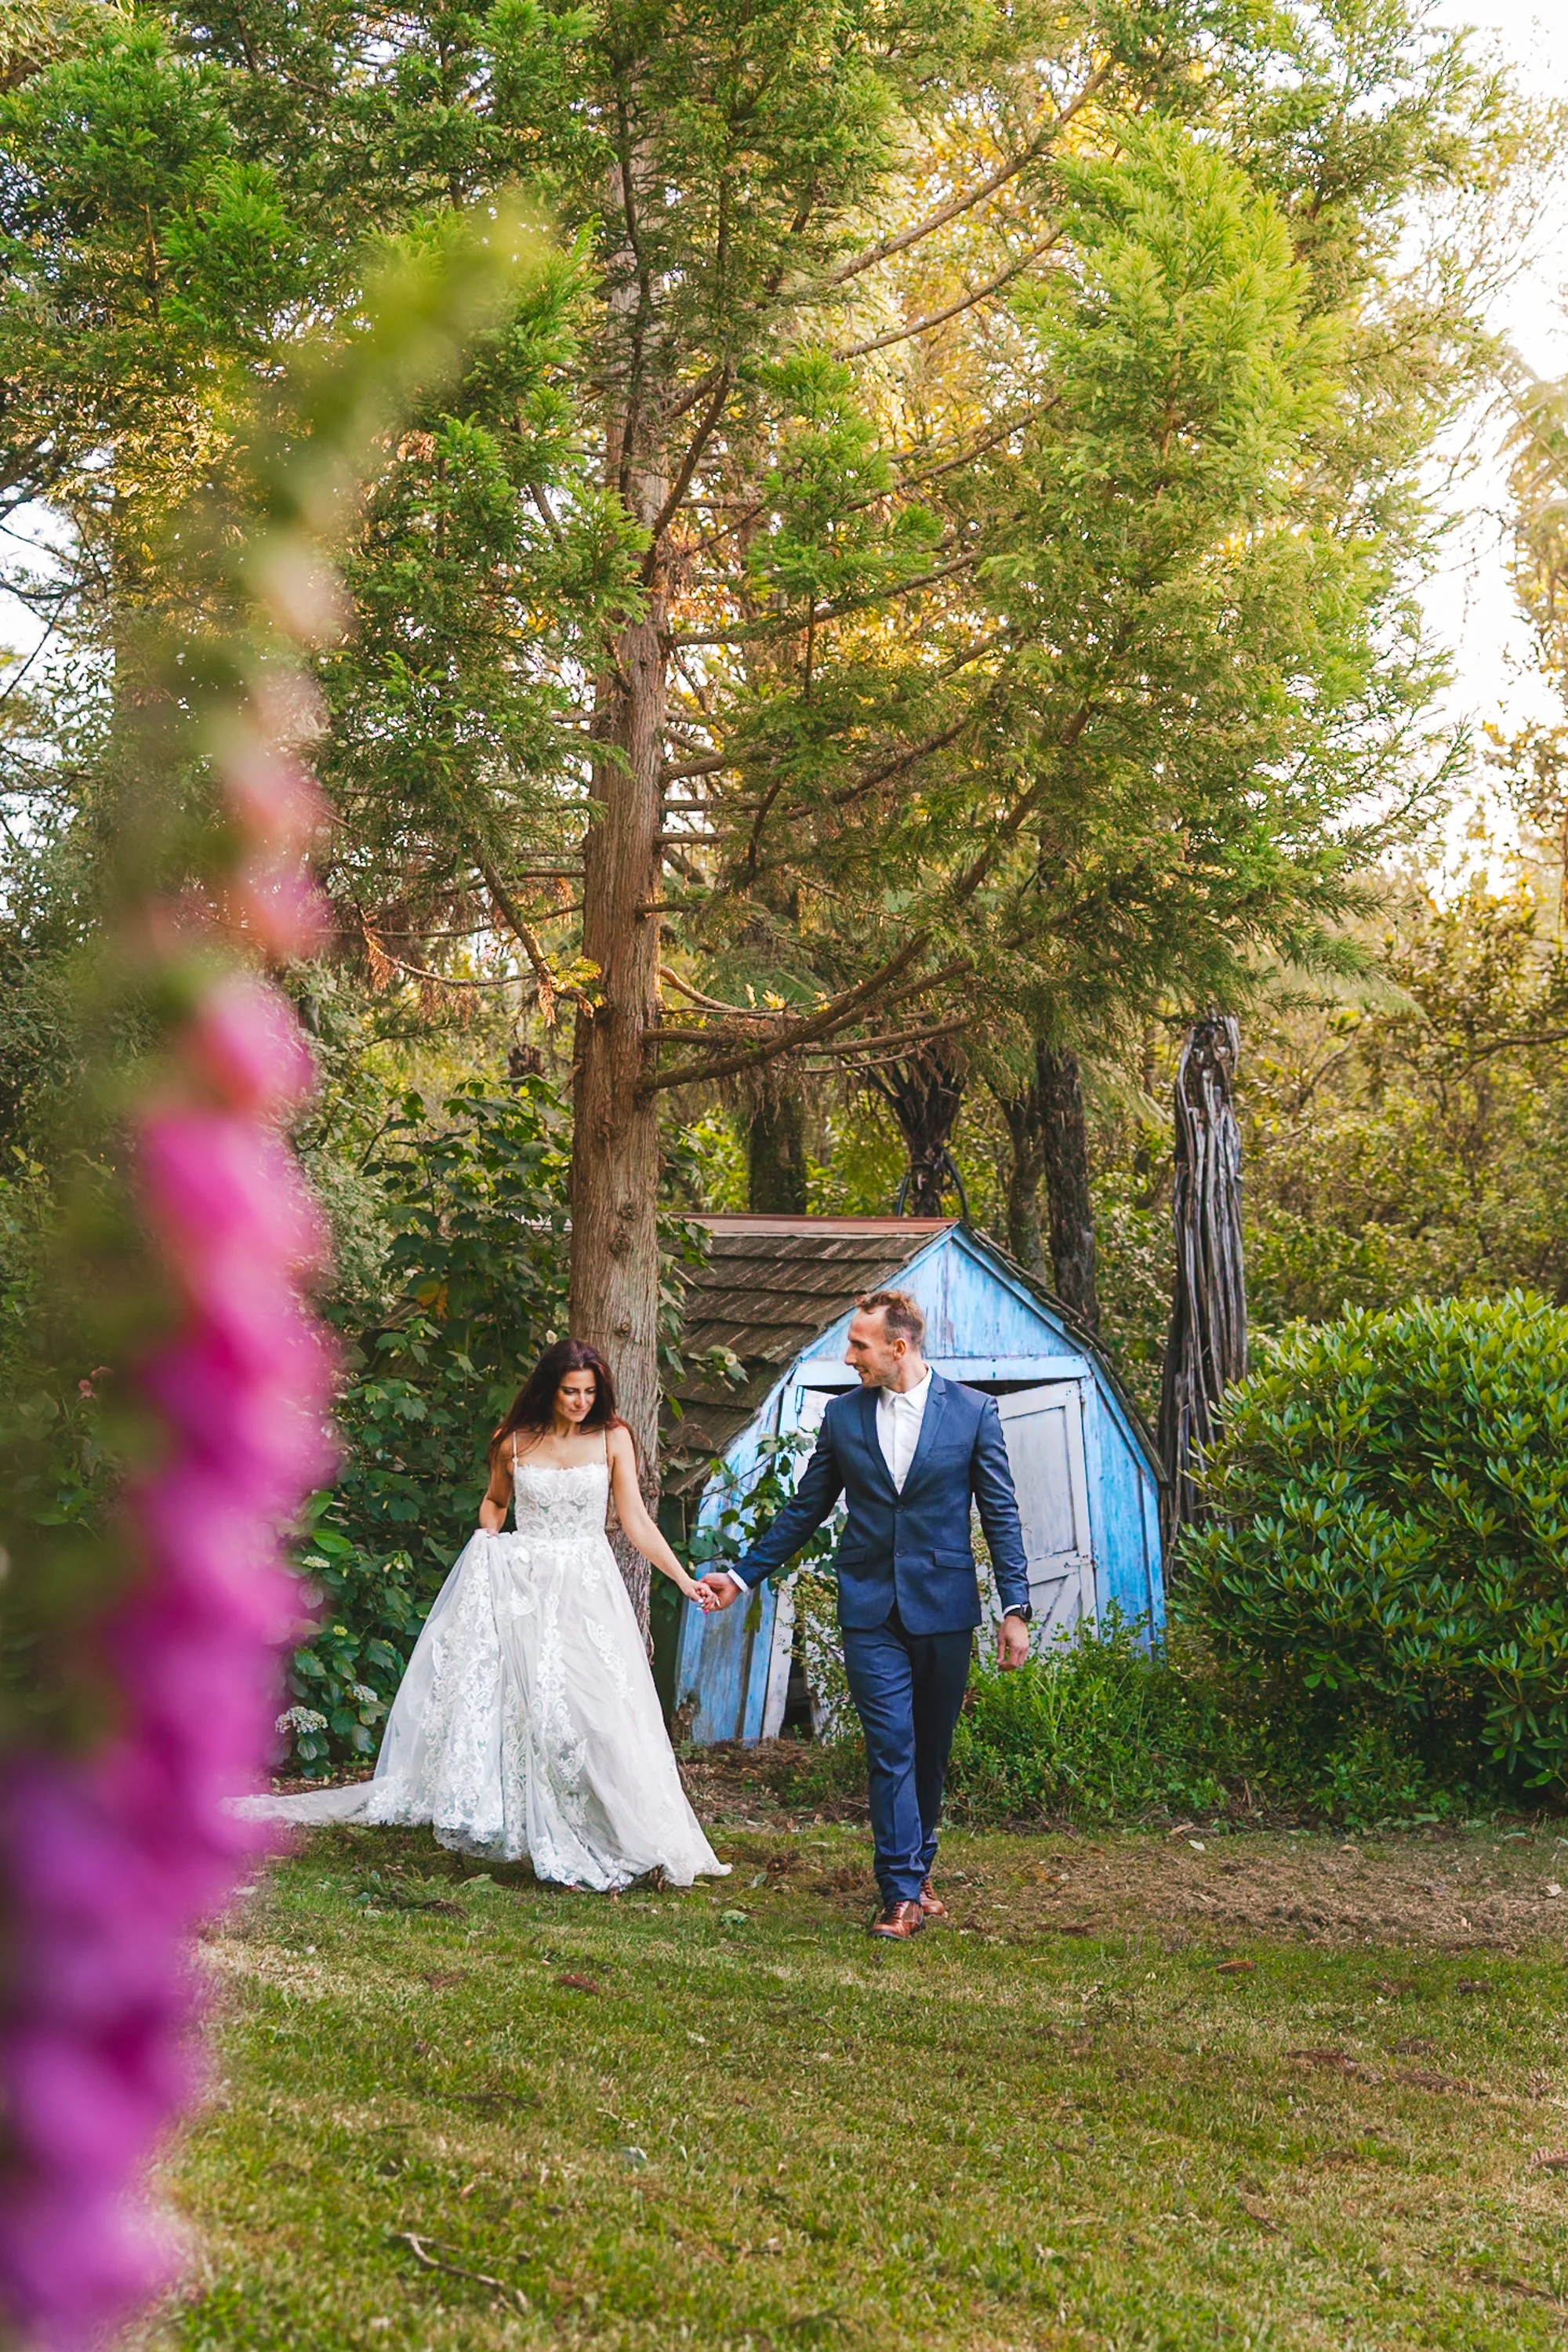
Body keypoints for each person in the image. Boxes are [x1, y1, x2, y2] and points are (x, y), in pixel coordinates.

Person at [237, 1339, 729, 1893]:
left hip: (588, 1589)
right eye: (571, 1392)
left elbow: (635, 1519)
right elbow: (496, 1503)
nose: (581, 1403)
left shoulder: (613, 1438)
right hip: (525, 1586)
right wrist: (487, 1538)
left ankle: (616, 1823)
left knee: (597, 1708)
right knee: (531, 1706)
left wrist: (683, 1579)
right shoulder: (512, 1441)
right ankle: (531, 1822)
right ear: (548, 1389)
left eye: (591, 1392)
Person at [700, 1288, 1031, 1938]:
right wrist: (741, 1577)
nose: (849, 1357)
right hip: (870, 1608)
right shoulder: (843, 1416)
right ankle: (900, 1893)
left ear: (898, 1348)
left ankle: (919, 1867)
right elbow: (806, 1509)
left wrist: (1014, 1607)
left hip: (944, 1609)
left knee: (930, 1753)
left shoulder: (973, 1413)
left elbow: (1001, 1514)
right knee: (890, 1747)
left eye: (859, 1345)